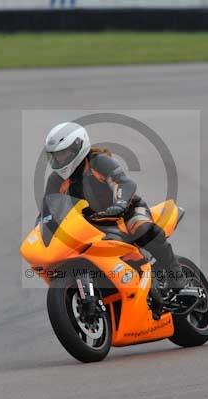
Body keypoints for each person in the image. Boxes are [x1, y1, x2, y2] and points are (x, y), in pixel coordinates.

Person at [41, 122, 187, 301]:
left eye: (63, 154)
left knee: (142, 229)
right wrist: (44, 231)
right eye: (55, 156)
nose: (59, 160)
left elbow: (123, 182)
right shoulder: (56, 180)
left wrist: (120, 204)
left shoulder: (98, 162)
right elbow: (48, 210)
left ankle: (176, 275)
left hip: (126, 211)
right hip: (92, 224)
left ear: (78, 146)